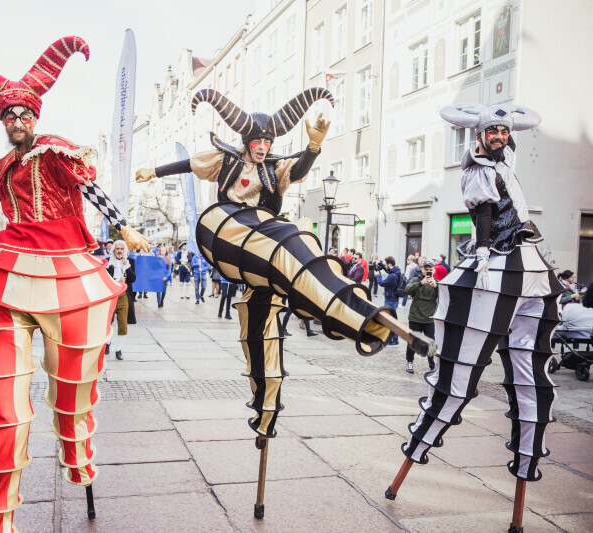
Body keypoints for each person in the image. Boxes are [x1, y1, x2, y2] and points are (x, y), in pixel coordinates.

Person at [135, 88, 432, 517]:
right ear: (247, 138)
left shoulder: (276, 170)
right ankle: (359, 315)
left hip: (265, 247)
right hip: (227, 232)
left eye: (269, 141)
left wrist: (314, 144)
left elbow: (303, 167)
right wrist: (154, 171)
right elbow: (190, 164)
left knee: (267, 334)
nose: (264, 146)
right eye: (258, 140)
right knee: (288, 248)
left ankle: (267, 410)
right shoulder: (228, 160)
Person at [0, 35, 150, 531]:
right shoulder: (7, 164)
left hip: (65, 262)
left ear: (35, 117)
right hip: (10, 262)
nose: (17, 124)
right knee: (2, 395)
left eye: (24, 115)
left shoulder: (55, 153)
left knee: (74, 382)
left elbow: (90, 188)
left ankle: (77, 452)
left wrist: (123, 226)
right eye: (9, 118)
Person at [389, 103, 563, 523]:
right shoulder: (478, 170)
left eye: (504, 131)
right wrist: (483, 250)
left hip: (530, 267)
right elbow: (482, 214)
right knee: (458, 373)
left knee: (531, 376)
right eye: (493, 131)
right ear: (481, 136)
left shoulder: (506, 162)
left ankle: (525, 467)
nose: (500, 137)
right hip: (495, 263)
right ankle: (417, 450)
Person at [403, 260, 438, 374]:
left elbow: (446, 298)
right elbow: (406, 290)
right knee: (413, 341)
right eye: (426, 269)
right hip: (415, 317)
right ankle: (409, 362)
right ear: (422, 269)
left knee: (431, 342)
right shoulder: (416, 280)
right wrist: (420, 284)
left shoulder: (437, 283)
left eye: (430, 270)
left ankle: (432, 365)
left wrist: (436, 287)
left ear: (434, 270)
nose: (428, 271)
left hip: (429, 318)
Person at [105, 240, 135, 360]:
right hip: (111, 295)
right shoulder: (108, 262)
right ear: (114, 250)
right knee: (108, 322)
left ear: (124, 251)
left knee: (123, 322)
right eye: (117, 249)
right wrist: (116, 281)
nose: (119, 251)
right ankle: (107, 344)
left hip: (123, 295)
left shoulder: (130, 262)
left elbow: (133, 278)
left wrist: (127, 265)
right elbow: (104, 279)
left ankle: (119, 349)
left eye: (121, 249)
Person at [376, 257, 402, 345]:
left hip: (391, 300)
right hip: (392, 298)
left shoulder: (393, 276)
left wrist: (377, 276)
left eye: (386, 264)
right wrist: (381, 265)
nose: (385, 266)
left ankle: (395, 340)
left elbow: (382, 283)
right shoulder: (395, 271)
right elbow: (388, 270)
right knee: (390, 319)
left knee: (391, 321)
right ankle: (391, 339)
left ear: (390, 265)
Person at [155, 244, 172, 308]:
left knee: (164, 291)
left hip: (165, 277)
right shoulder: (157, 259)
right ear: (160, 251)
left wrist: (166, 277)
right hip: (158, 277)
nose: (163, 251)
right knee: (158, 290)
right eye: (162, 250)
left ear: (166, 251)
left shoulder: (168, 259)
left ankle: (162, 300)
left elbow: (169, 269)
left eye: (164, 250)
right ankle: (158, 302)